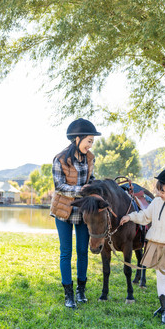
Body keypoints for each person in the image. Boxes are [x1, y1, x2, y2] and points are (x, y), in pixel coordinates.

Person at [120, 168, 165, 325]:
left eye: (163, 191)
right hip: (156, 245)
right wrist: (130, 217)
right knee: (161, 277)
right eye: (158, 190)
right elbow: (145, 217)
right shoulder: (157, 202)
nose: (159, 194)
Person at [50, 118, 101, 309]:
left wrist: (96, 187)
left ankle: (81, 290)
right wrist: (83, 190)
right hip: (63, 210)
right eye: (89, 141)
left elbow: (91, 178)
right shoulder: (60, 159)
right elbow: (60, 186)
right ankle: (68, 294)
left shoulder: (90, 158)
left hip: (83, 211)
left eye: (92, 142)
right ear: (77, 139)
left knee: (82, 251)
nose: (90, 145)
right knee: (66, 252)